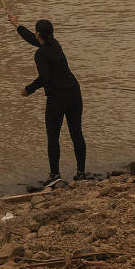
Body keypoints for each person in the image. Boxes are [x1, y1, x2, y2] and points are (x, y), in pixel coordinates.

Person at [15, 16, 87, 185]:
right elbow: (36, 40)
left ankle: (55, 175)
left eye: (35, 31)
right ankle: (81, 172)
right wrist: (18, 26)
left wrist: (28, 89)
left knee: (53, 136)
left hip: (58, 98)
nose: (35, 34)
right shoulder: (55, 44)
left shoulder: (40, 54)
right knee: (76, 133)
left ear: (39, 33)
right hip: (74, 93)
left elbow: (44, 78)